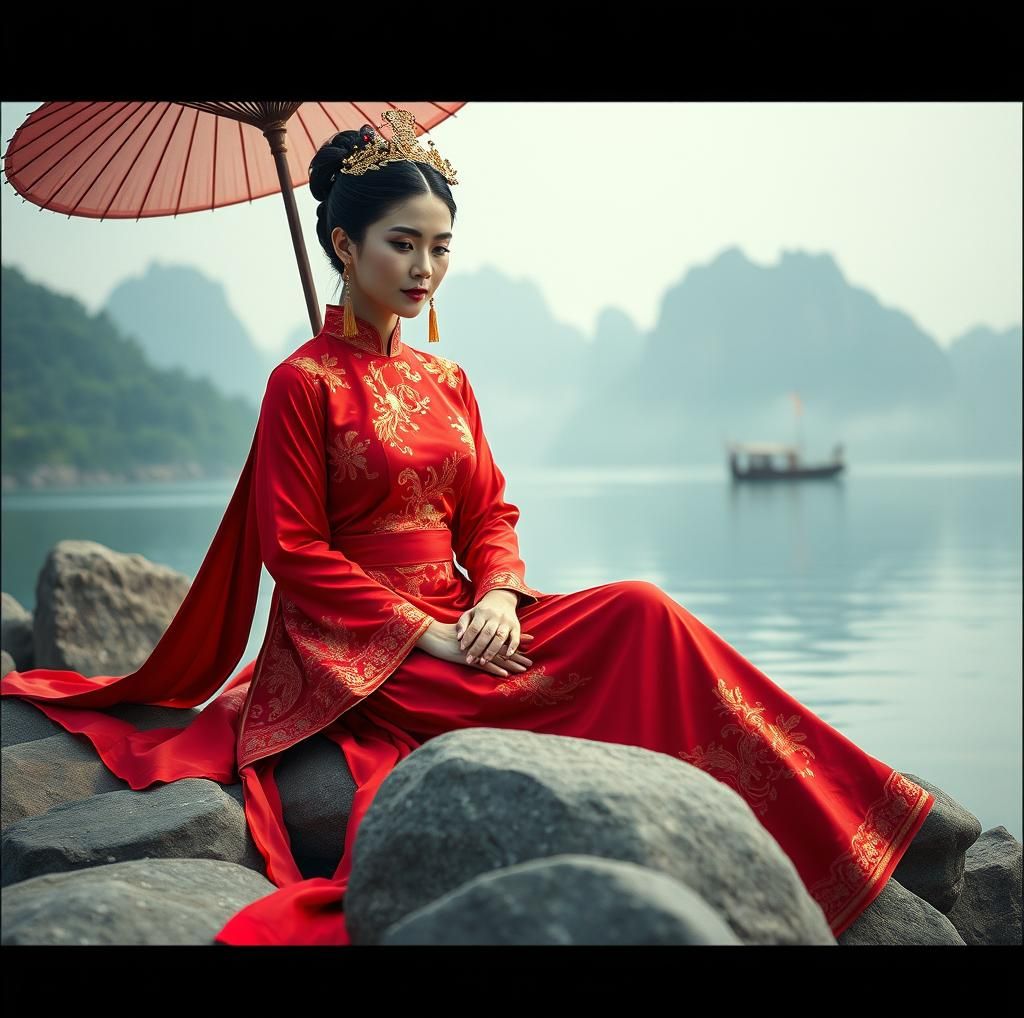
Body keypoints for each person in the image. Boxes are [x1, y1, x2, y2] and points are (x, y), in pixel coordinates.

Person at [1, 110, 934, 945]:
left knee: (642, 610)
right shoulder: (300, 385)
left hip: (468, 609)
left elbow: (490, 512)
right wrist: (430, 636)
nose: (424, 269)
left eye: (442, 248)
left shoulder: (448, 382)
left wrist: (493, 595)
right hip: (356, 650)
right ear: (342, 242)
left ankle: (850, 813)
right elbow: (295, 550)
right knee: (559, 678)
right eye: (402, 245)